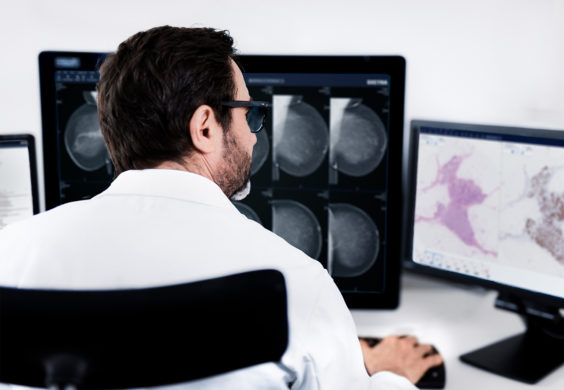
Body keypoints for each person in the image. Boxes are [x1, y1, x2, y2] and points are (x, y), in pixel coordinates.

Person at [0, 26, 441, 389]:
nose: (251, 136)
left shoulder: (10, 254)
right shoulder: (292, 283)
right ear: (205, 127)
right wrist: (388, 375)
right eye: (247, 115)